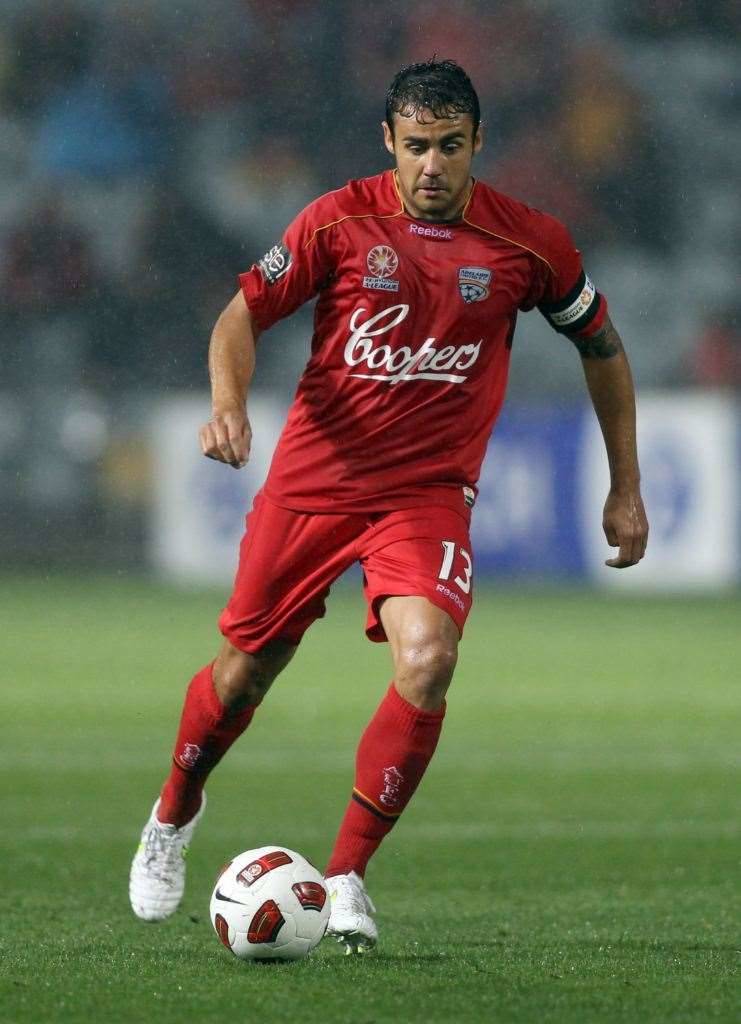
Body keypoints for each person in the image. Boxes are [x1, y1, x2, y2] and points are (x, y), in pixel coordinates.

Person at [129, 59, 649, 952]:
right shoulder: (338, 220)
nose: (432, 166)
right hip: (315, 483)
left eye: (449, 146)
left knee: (428, 659)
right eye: (415, 147)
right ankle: (173, 812)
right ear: (388, 142)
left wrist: (626, 486)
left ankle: (345, 876)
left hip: (425, 495)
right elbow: (241, 314)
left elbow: (600, 346)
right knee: (245, 673)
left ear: (477, 142)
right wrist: (227, 404)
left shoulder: (529, 244)